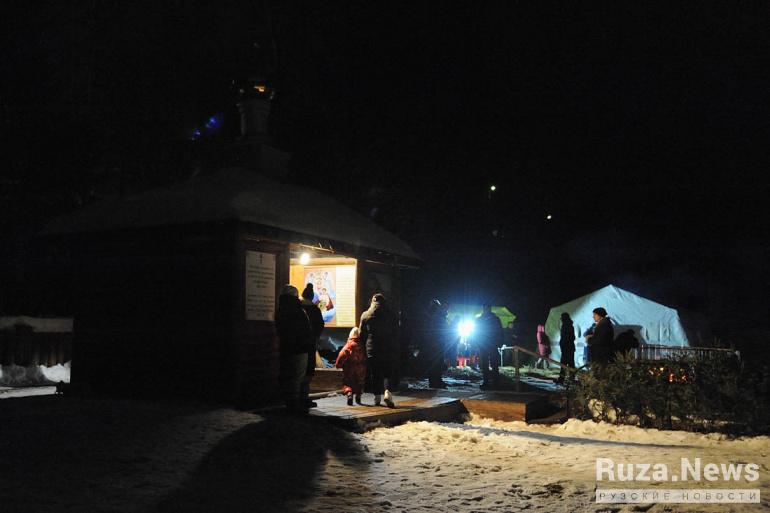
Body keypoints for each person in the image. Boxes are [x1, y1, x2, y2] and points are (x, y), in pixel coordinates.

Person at [275, 284, 313, 413]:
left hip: (286, 346)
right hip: (300, 346)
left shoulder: (281, 308)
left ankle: (290, 400)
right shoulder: (296, 309)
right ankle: (294, 403)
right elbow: (303, 328)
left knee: (288, 373)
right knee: (297, 375)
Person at [359, 293, 400, 407]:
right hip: (387, 347)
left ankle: (377, 398)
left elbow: (362, 334)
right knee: (388, 372)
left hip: (372, 348)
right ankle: (387, 392)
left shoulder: (366, 315)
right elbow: (396, 332)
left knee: (375, 373)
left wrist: (363, 347)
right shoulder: (391, 315)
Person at [300, 283, 325, 408]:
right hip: (310, 344)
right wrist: (315, 337)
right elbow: (320, 325)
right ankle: (304, 396)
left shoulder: (298, 307)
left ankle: (296, 397)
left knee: (298, 370)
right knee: (308, 370)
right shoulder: (315, 310)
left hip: (298, 343)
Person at [335, 327, 367, 405]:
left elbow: (341, 356)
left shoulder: (348, 346)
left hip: (349, 368)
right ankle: (358, 397)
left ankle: (349, 394)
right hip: (361, 369)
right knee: (359, 382)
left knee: (347, 383)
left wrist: (338, 365)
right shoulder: (363, 346)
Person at [475, 303, 503, 389]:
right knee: (493, 364)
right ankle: (494, 382)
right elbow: (500, 331)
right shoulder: (495, 319)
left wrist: (477, 342)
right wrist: (499, 342)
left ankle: (487, 382)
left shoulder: (480, 319)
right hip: (490, 344)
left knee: (486, 364)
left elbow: (476, 332)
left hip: (485, 344)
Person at [423, 300, 449, 388]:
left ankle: (436, 381)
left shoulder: (435, 316)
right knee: (436, 364)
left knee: (437, 363)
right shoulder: (437, 317)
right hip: (436, 343)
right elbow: (439, 330)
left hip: (435, 343)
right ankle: (435, 382)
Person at [557, 313, 576, 383]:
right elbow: (573, 337)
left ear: (564, 318)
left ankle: (562, 379)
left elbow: (567, 337)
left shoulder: (566, 326)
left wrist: (563, 343)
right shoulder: (570, 326)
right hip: (570, 347)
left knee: (563, 363)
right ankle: (571, 378)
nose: (561, 319)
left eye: (562, 318)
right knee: (570, 363)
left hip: (566, 348)